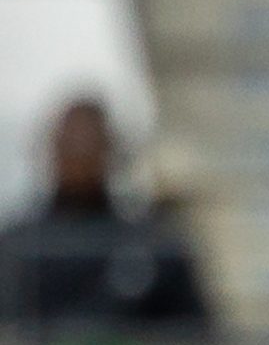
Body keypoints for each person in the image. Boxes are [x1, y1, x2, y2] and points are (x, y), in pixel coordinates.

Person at [0, 95, 205, 327]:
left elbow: (195, 339)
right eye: (72, 144)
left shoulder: (154, 247)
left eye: (90, 143)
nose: (81, 156)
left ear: (111, 150)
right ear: (52, 149)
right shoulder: (16, 247)